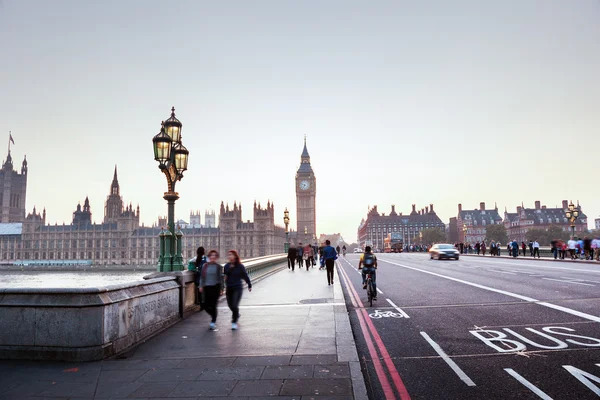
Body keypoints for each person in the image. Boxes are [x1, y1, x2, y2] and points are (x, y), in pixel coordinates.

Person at [223, 250, 252, 330]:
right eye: (228, 255)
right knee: (230, 305)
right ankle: (236, 314)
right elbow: (225, 277)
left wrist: (249, 284)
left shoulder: (240, 266)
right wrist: (223, 287)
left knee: (235, 305)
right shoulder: (226, 266)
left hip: (237, 288)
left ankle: (234, 321)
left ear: (235, 256)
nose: (229, 256)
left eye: (231, 255)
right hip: (229, 288)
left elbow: (245, 275)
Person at [199, 250, 223, 331]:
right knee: (205, 305)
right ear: (209, 257)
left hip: (215, 288)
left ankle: (213, 322)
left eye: (214, 255)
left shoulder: (218, 267)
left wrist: (222, 289)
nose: (212, 257)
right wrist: (201, 286)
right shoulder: (205, 266)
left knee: (213, 305)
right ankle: (213, 316)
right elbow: (202, 277)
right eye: (211, 255)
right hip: (207, 288)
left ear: (216, 257)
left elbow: (221, 278)